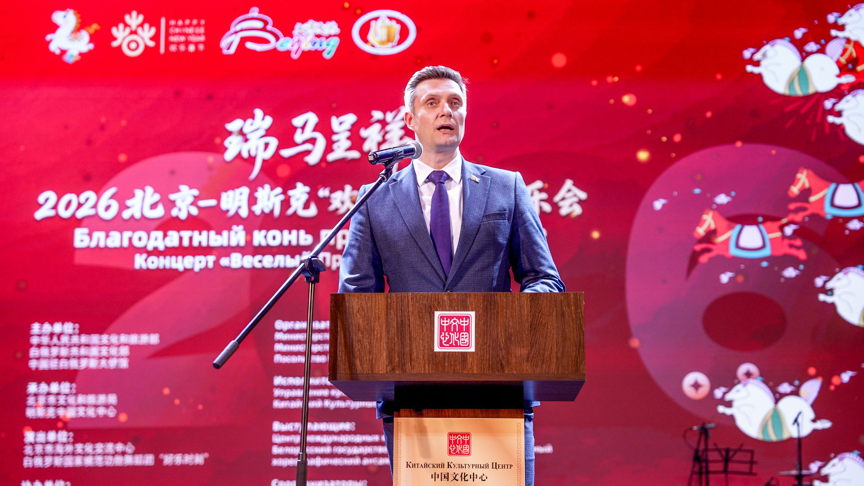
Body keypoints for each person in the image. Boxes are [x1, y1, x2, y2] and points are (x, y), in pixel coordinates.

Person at [338, 65, 564, 486]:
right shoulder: (376, 200)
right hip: (412, 399)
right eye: (433, 102)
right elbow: (357, 297)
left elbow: (544, 278)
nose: (447, 110)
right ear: (410, 120)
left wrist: (516, 319)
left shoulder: (506, 187)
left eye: (455, 102)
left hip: (498, 391)